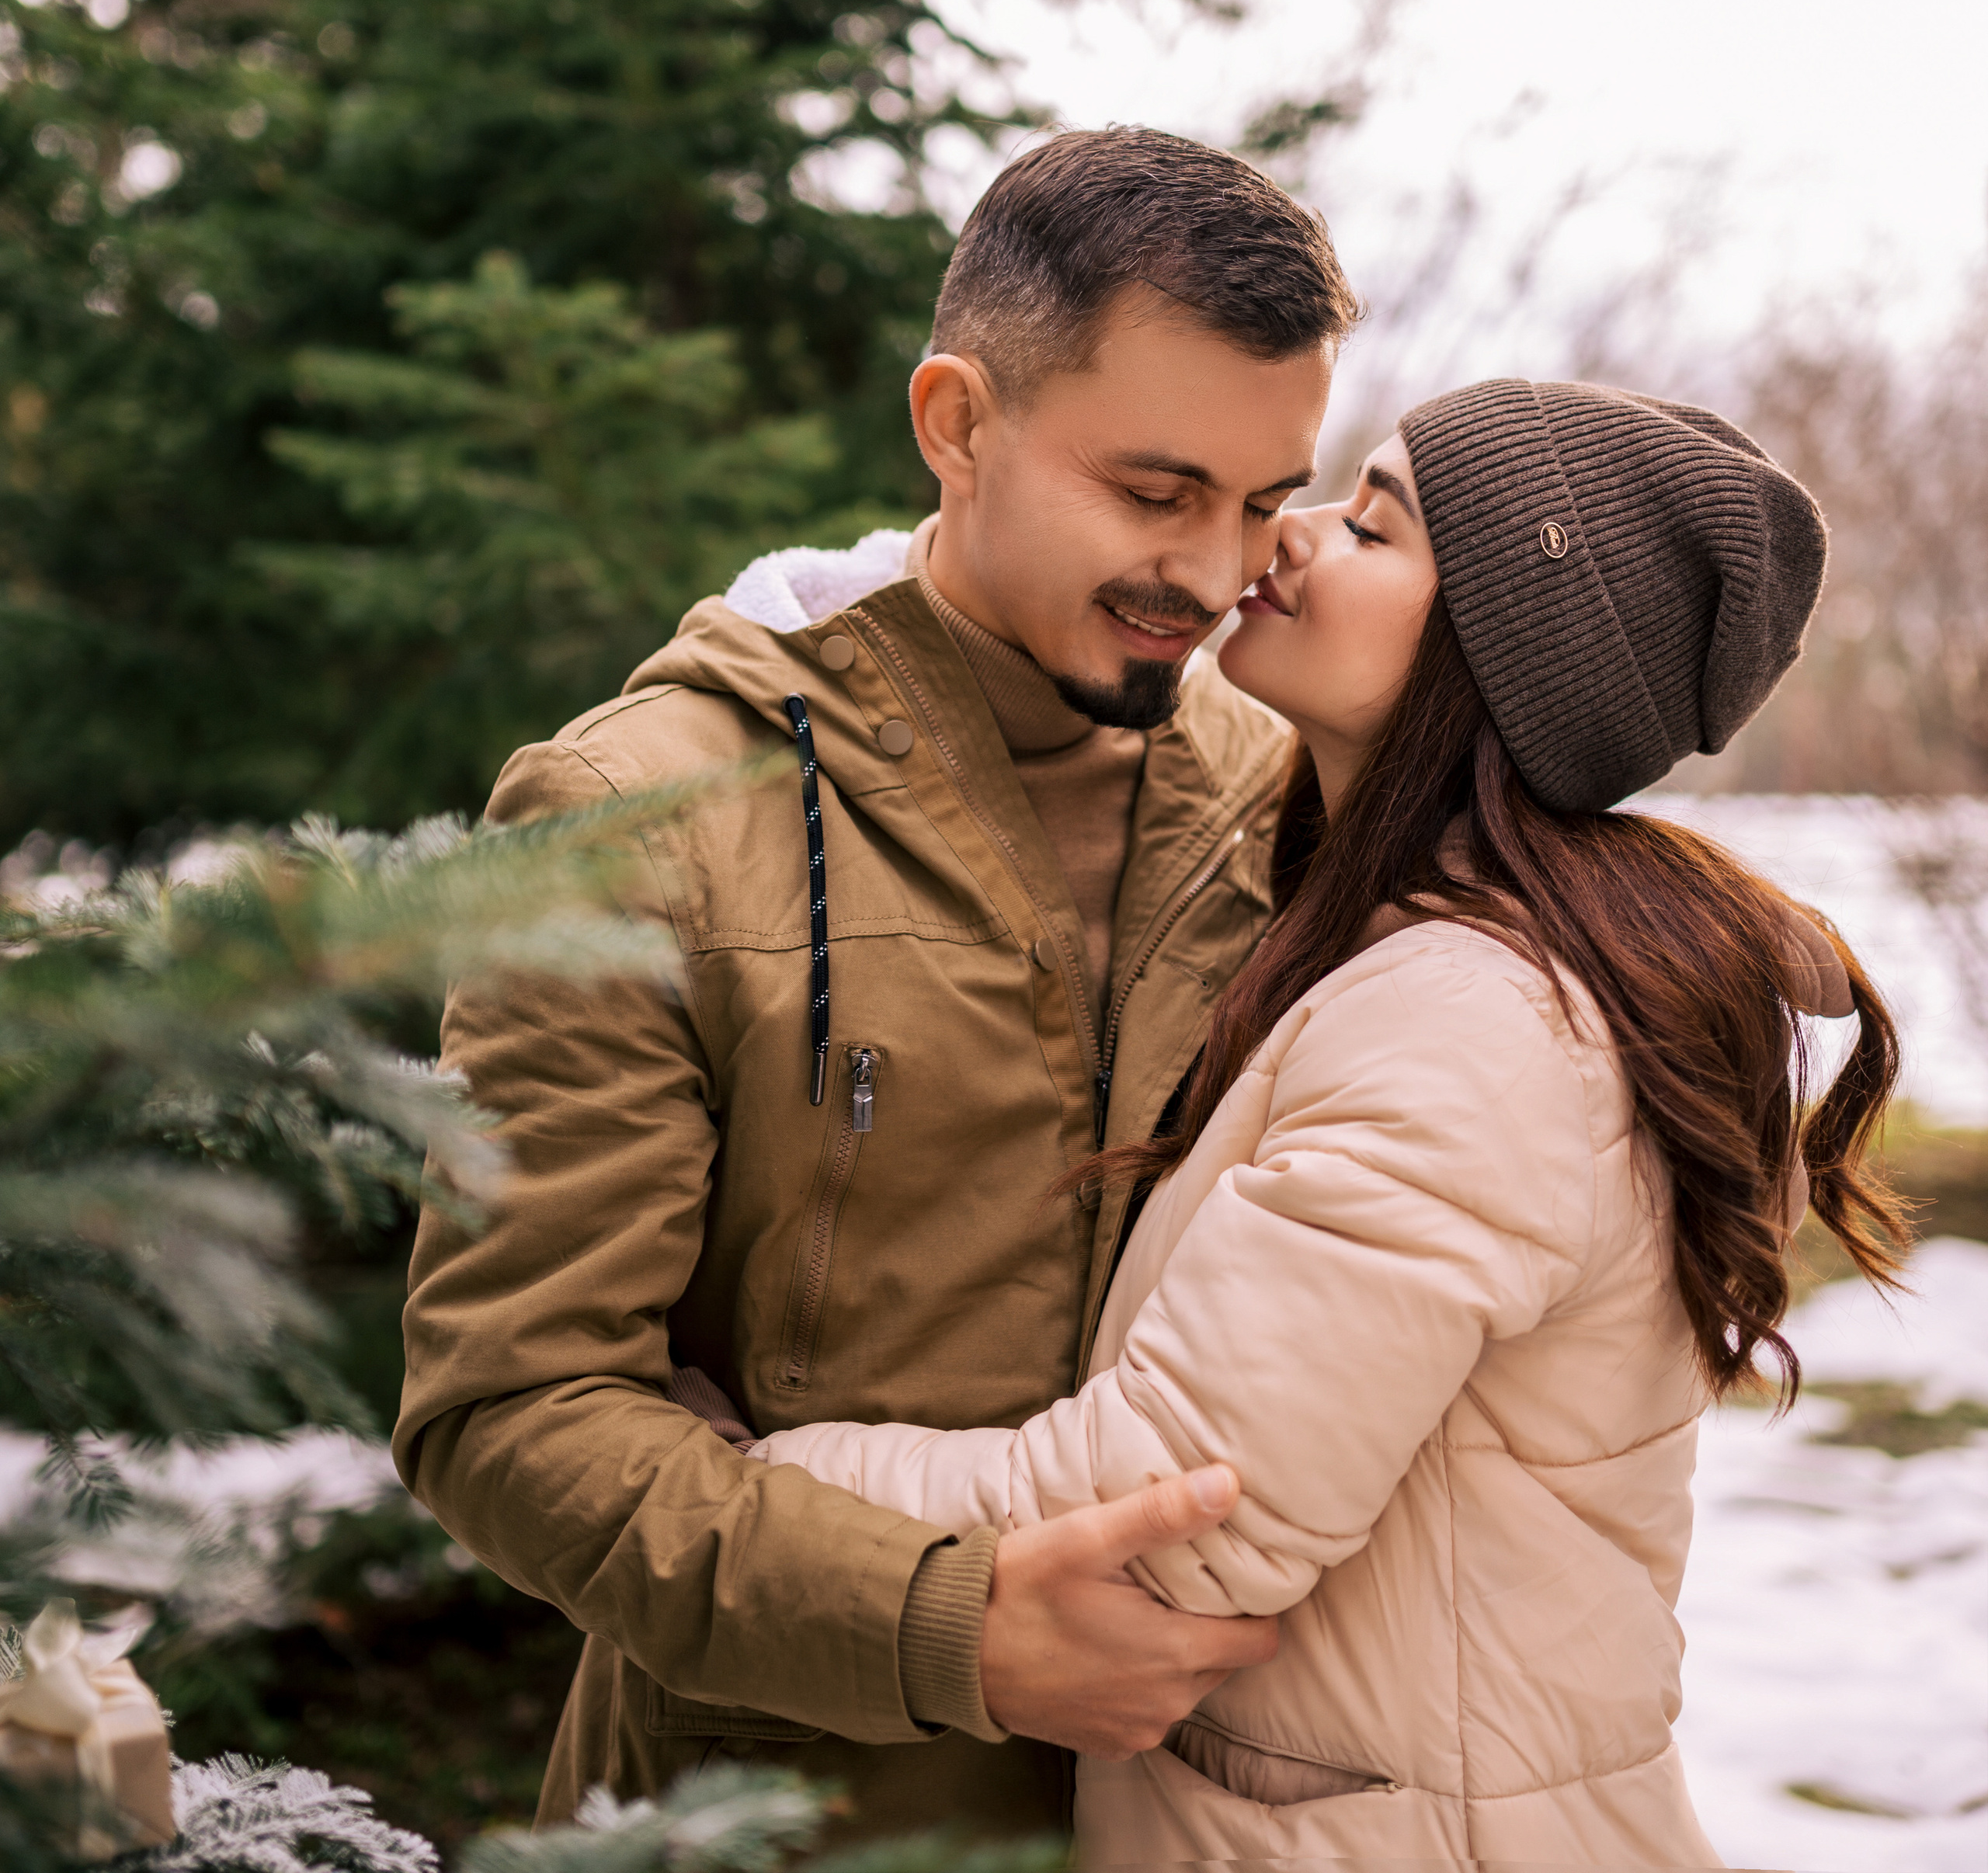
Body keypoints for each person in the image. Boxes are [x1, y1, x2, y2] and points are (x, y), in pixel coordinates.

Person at [747, 377, 1911, 1868]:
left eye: (1370, 525)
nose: (1280, 542)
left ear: (1496, 656)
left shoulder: (1474, 1028)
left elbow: (1173, 1514)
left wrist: (740, 1489)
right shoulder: (1413, 954)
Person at [392, 128, 1363, 1837]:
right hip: (760, 1816)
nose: (1214, 578)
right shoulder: (633, 818)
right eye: (1152, 492)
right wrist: (947, 1628)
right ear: (955, 424)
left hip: (1192, 1824)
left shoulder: (1291, 796)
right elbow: (508, 1405)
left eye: (1261, 503)